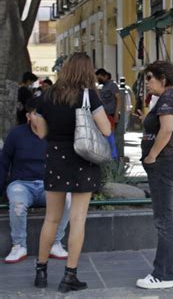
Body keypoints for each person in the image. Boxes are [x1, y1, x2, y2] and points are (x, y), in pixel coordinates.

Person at [34, 53, 111, 292]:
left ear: (66, 69)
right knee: (77, 220)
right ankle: (69, 276)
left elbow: (41, 131)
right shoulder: (89, 96)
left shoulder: (48, 96)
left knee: (51, 218)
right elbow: (106, 130)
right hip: (83, 160)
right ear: (87, 71)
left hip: (56, 157)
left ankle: (41, 272)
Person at [136, 61, 173, 289]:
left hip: (165, 164)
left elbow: (167, 129)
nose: (147, 83)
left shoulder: (169, 98)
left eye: (149, 78)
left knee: (164, 220)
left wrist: (152, 156)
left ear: (163, 77)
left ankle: (163, 274)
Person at [0, 98, 70, 264]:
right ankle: (19, 246)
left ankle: (56, 243)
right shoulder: (16, 134)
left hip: (49, 184)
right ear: (28, 116)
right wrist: (2, 189)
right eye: (36, 113)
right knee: (17, 201)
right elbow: (3, 162)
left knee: (67, 198)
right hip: (21, 184)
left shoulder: (54, 135)